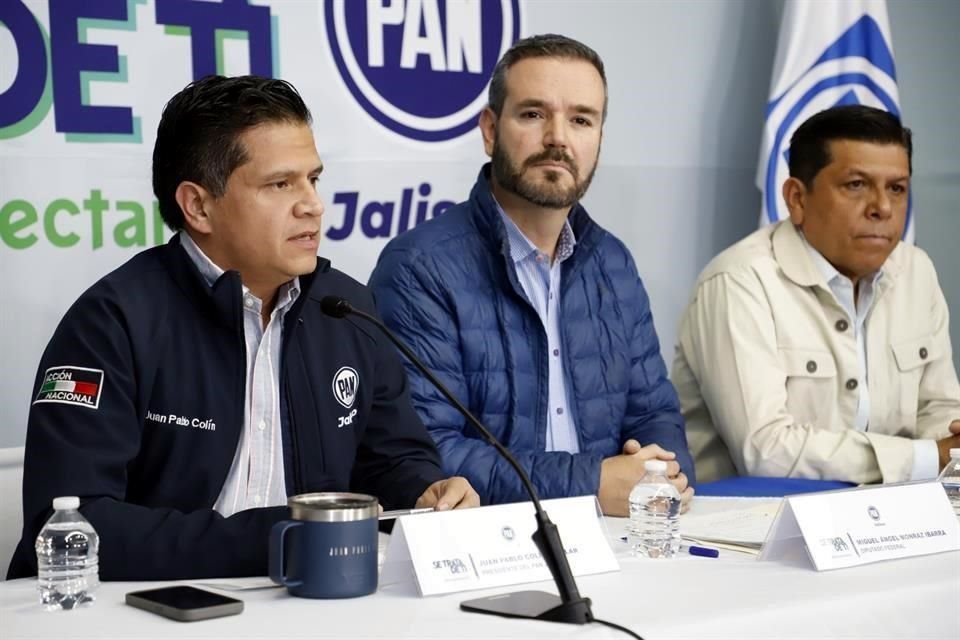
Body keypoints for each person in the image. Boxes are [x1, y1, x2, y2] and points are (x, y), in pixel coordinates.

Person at [8, 75, 478, 581]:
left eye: (312, 179)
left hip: (302, 598)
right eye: (280, 184)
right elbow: (69, 525)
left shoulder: (345, 308)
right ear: (198, 206)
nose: (312, 205)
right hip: (143, 611)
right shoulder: (111, 323)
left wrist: (426, 490)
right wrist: (275, 538)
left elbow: (390, 460)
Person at [368, 35, 695, 516]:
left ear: (599, 138)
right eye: (533, 114)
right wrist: (589, 485)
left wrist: (662, 476)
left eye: (581, 119)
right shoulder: (420, 267)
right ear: (489, 129)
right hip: (490, 552)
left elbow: (654, 415)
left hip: (619, 540)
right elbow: (427, 452)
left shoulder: (613, 263)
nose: (558, 138)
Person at [672, 105, 960, 484]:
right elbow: (765, 450)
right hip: (749, 528)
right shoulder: (740, 281)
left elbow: (940, 411)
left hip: (888, 523)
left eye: (897, 188)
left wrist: (949, 448)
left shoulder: (915, 271)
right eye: (856, 185)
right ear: (797, 198)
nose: (883, 208)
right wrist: (924, 458)